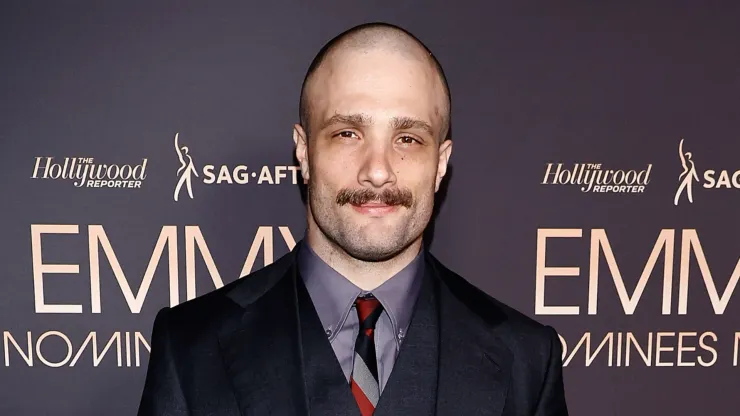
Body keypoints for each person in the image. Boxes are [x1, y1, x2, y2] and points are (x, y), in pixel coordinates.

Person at [138, 22, 568, 416]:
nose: (378, 170)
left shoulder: (527, 360)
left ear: (440, 163)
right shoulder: (191, 349)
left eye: (408, 138)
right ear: (304, 152)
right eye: (348, 133)